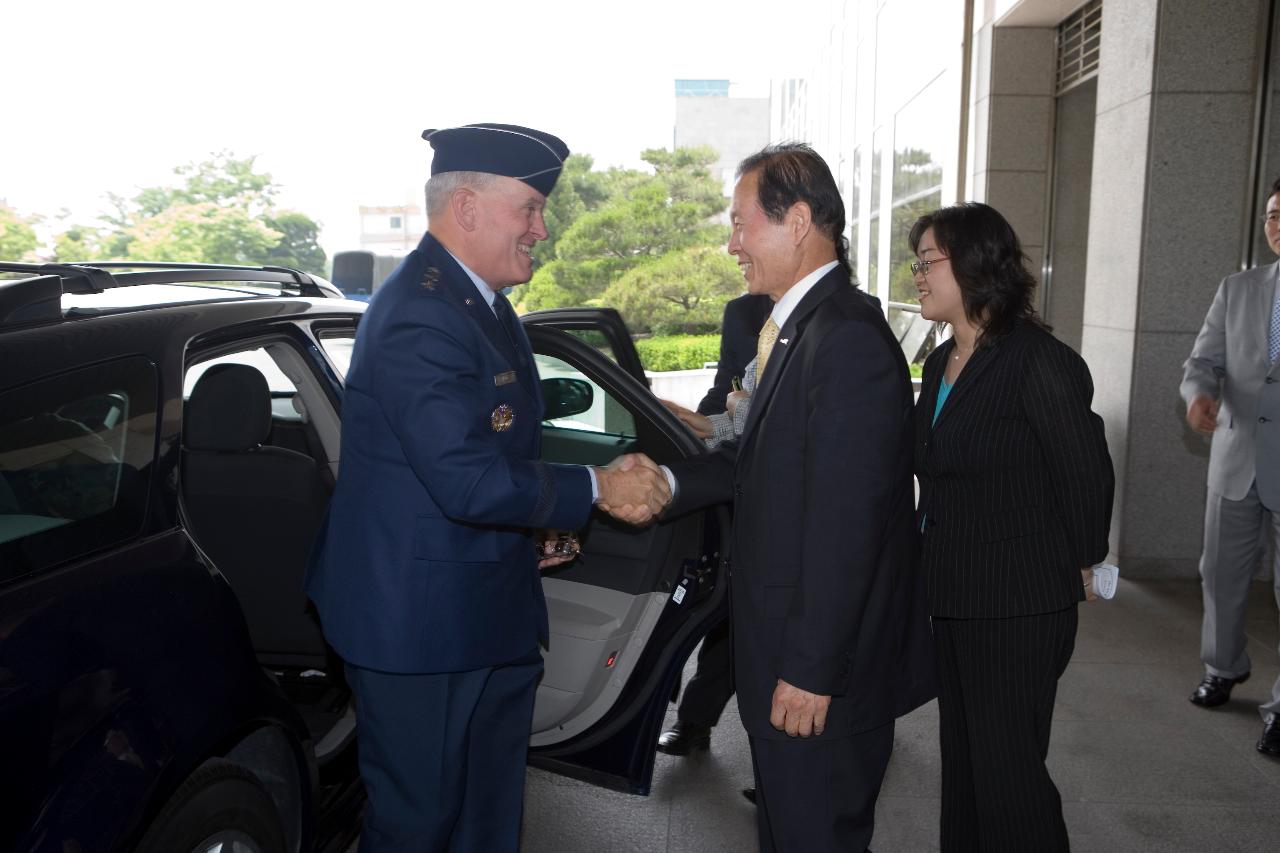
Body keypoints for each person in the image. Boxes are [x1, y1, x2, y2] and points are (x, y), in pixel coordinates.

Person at [304, 123, 669, 853]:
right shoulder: (419, 313)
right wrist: (597, 484)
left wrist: (537, 526)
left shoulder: (486, 307)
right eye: (529, 208)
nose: (541, 228)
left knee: (486, 817)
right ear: (467, 208)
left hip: (483, 611)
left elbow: (493, 448)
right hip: (419, 631)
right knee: (416, 824)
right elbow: (466, 478)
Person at [620, 143, 935, 853]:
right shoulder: (800, 327)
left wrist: (810, 670)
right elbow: (753, 457)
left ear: (797, 221)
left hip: (820, 671)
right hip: (790, 651)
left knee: (812, 834)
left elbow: (845, 525)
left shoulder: (845, 339)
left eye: (740, 224)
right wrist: (666, 481)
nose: (731, 243)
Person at [911, 202, 1114, 852]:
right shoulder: (937, 365)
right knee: (965, 771)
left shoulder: (1036, 360)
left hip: (1018, 604)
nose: (917, 274)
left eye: (928, 260)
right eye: (915, 262)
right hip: (953, 598)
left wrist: (1082, 563)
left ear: (975, 263)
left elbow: (1086, 471)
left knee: (1009, 778)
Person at [1181, 176, 1280, 758]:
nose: (1276, 225)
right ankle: (1224, 666)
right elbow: (1203, 360)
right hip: (1236, 455)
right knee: (1219, 574)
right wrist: (1197, 394)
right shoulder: (1238, 289)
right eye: (1271, 215)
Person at [656, 292, 770, 757]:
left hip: (788, 503)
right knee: (728, 607)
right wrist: (695, 427)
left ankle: (786, 756)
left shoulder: (838, 323)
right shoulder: (744, 311)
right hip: (737, 482)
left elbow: (771, 421)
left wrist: (739, 411)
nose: (735, 246)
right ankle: (696, 722)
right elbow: (729, 388)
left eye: (745, 228)